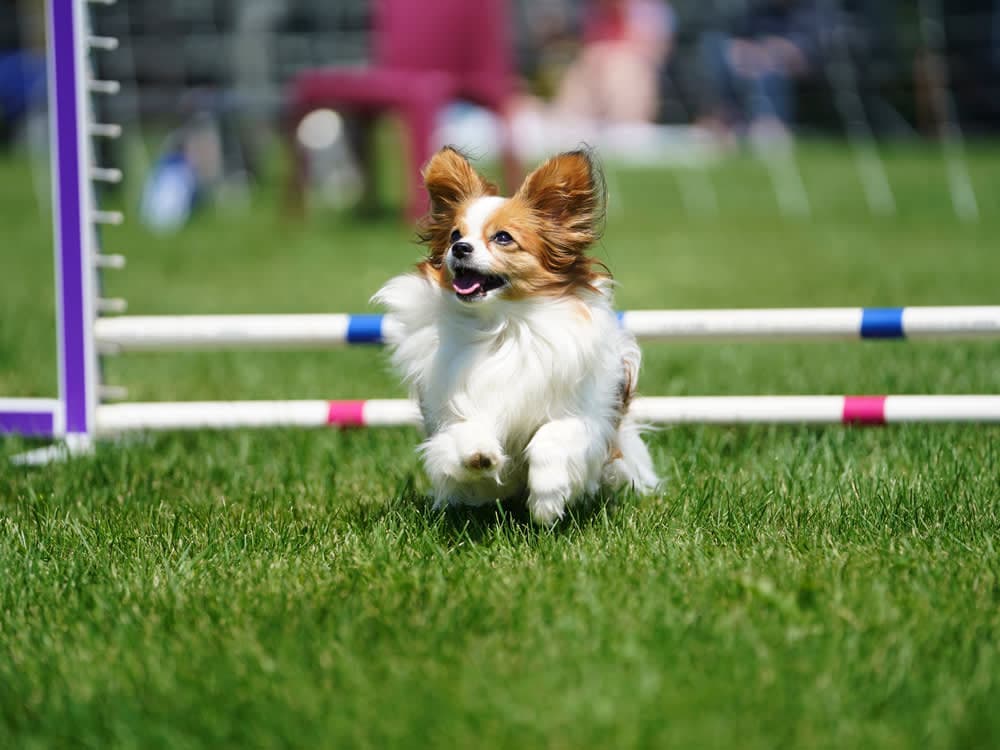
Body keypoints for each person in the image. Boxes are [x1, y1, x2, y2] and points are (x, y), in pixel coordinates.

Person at [698, 0, 827, 143]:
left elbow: (804, 53)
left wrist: (767, 52)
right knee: (716, 47)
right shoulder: (761, 9)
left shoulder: (810, 9)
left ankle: (769, 126)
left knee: (769, 72)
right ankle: (725, 120)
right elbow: (742, 39)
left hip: (793, 67)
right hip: (754, 61)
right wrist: (743, 51)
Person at [553, 0, 675, 124]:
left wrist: (612, 55)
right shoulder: (595, 9)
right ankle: (569, 125)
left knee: (622, 70)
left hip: (634, 70)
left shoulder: (649, 8)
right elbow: (591, 44)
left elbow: (652, 51)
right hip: (597, 68)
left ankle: (626, 126)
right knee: (581, 68)